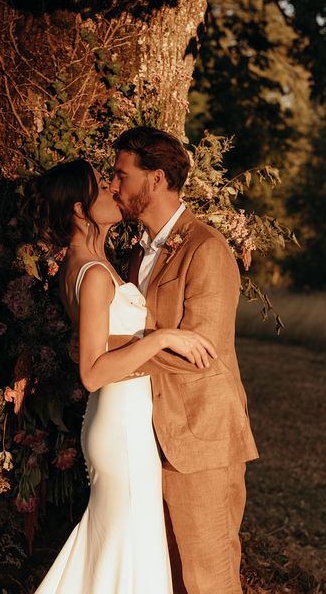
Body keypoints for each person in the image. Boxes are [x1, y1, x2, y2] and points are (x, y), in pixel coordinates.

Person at [22, 159, 216, 594]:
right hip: (123, 427)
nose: (112, 189)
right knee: (133, 555)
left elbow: (108, 343)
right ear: (79, 209)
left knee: (119, 550)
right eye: (100, 185)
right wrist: (164, 337)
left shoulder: (92, 263)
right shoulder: (92, 273)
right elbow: (92, 372)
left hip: (120, 420)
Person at [108, 126, 259, 594]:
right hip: (146, 438)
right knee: (165, 577)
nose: (113, 185)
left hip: (200, 437)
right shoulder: (138, 255)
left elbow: (202, 350)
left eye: (121, 175)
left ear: (155, 179)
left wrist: (110, 353)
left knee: (209, 578)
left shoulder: (206, 248)